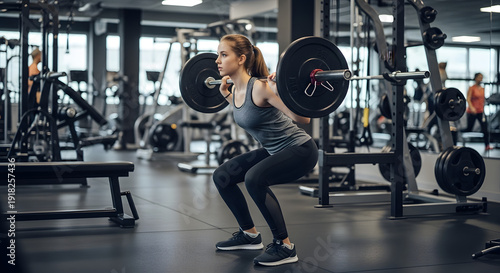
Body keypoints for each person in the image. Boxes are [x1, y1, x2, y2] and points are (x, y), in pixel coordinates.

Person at [212, 34, 318, 266]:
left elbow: (303, 118)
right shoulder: (237, 91)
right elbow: (248, 113)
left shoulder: (261, 88)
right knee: (222, 176)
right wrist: (226, 95)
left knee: (254, 179)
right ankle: (249, 235)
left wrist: (280, 91)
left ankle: (285, 246)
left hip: (300, 149)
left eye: (223, 55)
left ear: (241, 59)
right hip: (274, 150)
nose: (217, 60)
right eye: (217, 55)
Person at [464, 73, 493, 151]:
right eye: (479, 77)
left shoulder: (482, 89)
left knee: (485, 128)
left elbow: (483, 99)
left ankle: (487, 145)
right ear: (475, 78)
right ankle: (458, 135)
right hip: (472, 111)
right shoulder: (471, 88)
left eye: (481, 77)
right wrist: (472, 108)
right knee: (469, 128)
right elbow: (468, 99)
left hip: (480, 111)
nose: (480, 79)